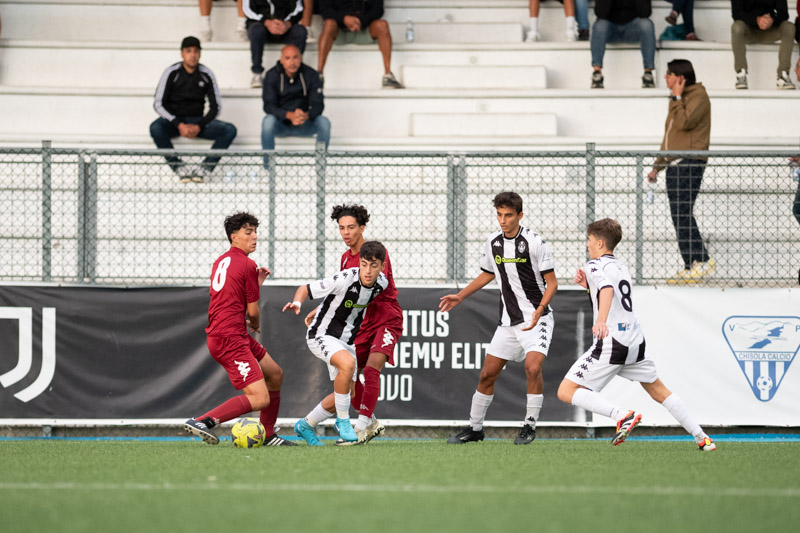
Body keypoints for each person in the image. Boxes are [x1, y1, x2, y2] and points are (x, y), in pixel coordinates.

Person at [557, 218, 716, 451]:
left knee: (566, 391)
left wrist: (600, 320)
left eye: (589, 240)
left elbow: (607, 290)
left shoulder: (594, 265)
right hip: (634, 340)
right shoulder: (621, 267)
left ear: (600, 243)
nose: (587, 244)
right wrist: (588, 287)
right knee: (659, 391)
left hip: (613, 341)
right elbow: (611, 292)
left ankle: (622, 416)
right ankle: (702, 438)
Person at [440, 192, 558, 446]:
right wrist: (460, 296)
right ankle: (475, 428)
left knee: (533, 368)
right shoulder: (493, 242)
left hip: (537, 319)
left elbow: (552, 283)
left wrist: (540, 309)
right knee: (487, 374)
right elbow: (487, 274)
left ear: (520, 215)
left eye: (508, 215)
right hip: (508, 322)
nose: (503, 220)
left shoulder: (535, 242)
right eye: (499, 215)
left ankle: (529, 426)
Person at [184, 212, 296, 447]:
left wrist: (255, 284)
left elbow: (231, 297)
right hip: (230, 338)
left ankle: (267, 434)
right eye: (248, 232)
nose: (254, 237)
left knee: (275, 374)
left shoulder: (221, 261)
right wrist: (254, 324)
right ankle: (203, 421)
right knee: (260, 398)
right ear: (234, 237)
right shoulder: (247, 264)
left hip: (231, 333)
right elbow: (253, 312)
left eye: (255, 232)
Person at [294, 205, 403, 445]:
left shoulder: (375, 254)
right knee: (349, 383)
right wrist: (319, 308)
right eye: (341, 228)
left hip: (385, 317)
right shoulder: (346, 258)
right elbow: (343, 293)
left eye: (351, 227)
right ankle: (308, 423)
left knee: (372, 369)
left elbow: (371, 288)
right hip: (357, 322)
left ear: (362, 228)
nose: (345, 232)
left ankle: (362, 427)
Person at [283, 241, 389, 445]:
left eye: (373, 265)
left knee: (349, 392)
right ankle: (342, 421)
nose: (368, 271)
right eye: (364, 264)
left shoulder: (381, 284)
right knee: (348, 365)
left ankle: (305, 424)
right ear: (359, 262)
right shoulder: (344, 278)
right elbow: (305, 288)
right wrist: (297, 302)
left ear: (382, 267)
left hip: (347, 341)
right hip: (321, 334)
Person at [647, 59, 713, 285]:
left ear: (681, 77)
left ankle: (702, 259)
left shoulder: (698, 95)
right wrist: (658, 166)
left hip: (690, 162)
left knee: (683, 212)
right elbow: (669, 136)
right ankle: (690, 264)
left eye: (669, 74)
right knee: (678, 215)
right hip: (674, 164)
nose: (665, 78)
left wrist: (677, 98)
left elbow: (686, 123)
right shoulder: (676, 99)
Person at [150, 36, 237, 183]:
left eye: (196, 51)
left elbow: (216, 107)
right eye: (188, 51)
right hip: (174, 122)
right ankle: (178, 167)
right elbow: (158, 104)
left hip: (197, 121)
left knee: (229, 130)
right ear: (182, 54)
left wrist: (199, 126)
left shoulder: (206, 74)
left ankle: (205, 168)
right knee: (156, 128)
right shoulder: (171, 72)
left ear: (200, 53)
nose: (193, 55)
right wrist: (179, 124)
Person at [317, 0, 403, 88]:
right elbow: (325, 10)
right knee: (329, 24)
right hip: (338, 31)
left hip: (362, 28)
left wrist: (362, 20)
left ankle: (388, 76)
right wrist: (344, 19)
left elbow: (378, 9)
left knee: (382, 25)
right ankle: (319, 75)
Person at [261, 44, 330, 151]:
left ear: (301, 58)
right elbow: (269, 106)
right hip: (281, 125)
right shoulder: (271, 75)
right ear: (281, 60)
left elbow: (318, 105)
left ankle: (320, 161)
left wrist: (305, 116)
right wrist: (289, 115)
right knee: (268, 121)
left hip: (304, 123)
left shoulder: (311, 74)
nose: (292, 62)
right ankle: (267, 162)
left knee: (324, 122)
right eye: (287, 58)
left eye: (295, 57)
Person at [590, 0, 656, 89]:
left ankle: (648, 73)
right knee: (599, 26)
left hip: (632, 28)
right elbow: (600, 14)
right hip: (611, 29)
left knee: (647, 24)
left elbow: (645, 13)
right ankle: (597, 73)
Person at [731, 0, 796, 89]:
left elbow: (784, 14)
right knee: (737, 27)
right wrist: (756, 19)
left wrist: (771, 20)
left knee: (789, 27)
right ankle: (741, 74)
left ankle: (783, 76)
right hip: (749, 32)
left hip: (770, 30)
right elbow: (736, 13)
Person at [244, 0, 309, 88]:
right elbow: (247, 9)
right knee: (256, 30)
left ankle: (294, 74)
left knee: (300, 31)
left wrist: (288, 23)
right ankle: (257, 73)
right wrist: (266, 22)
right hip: (262, 26)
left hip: (284, 27)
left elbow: (299, 8)